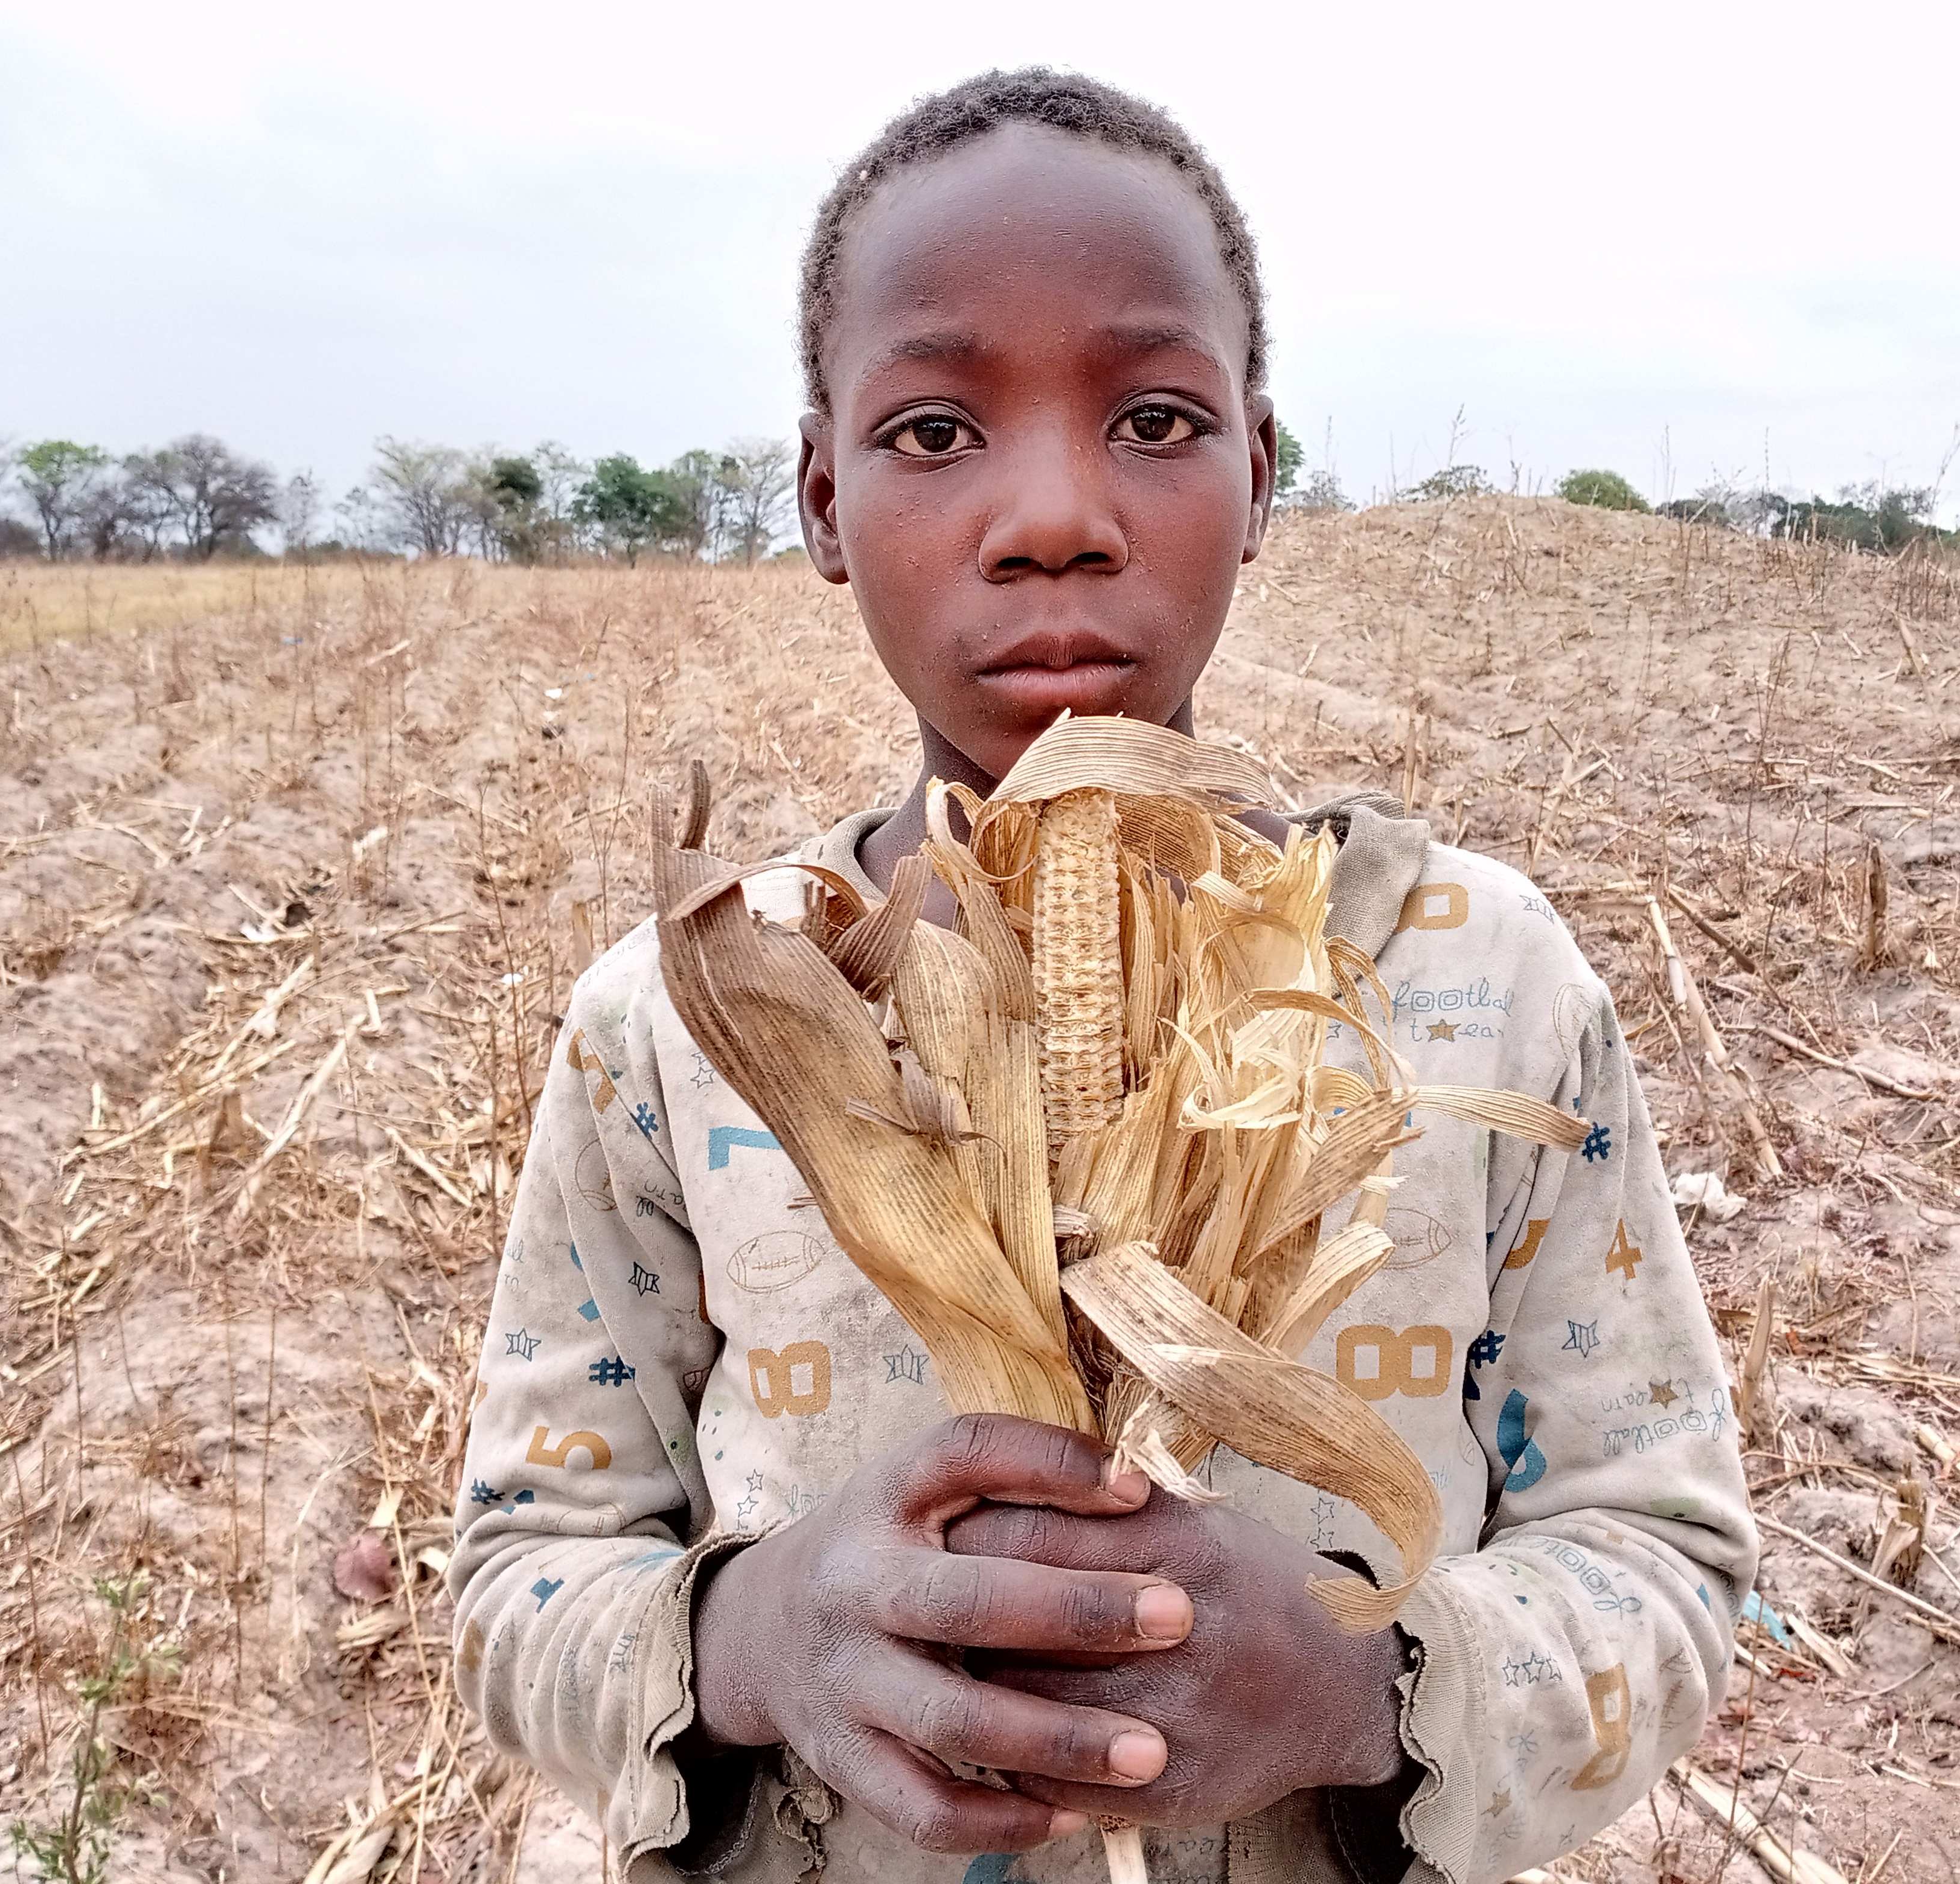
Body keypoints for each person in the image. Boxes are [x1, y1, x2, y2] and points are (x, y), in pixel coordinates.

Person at [449, 67, 1755, 1884]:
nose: (1053, 515)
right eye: (932, 434)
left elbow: (1665, 1559)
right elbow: (521, 1577)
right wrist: (748, 1646)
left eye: (1152, 417)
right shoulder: (678, 1030)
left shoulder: (1478, 980)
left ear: (1259, 480)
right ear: (823, 504)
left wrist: (1368, 1696)